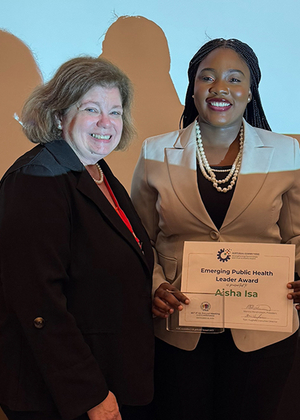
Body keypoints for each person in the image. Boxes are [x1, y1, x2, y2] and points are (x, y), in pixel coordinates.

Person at [131, 38, 300, 420]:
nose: (220, 87)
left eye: (234, 79)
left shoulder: (288, 152)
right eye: (207, 77)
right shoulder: (154, 152)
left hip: (264, 334)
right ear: (193, 88)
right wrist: (154, 284)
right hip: (177, 329)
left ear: (250, 90)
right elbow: (138, 240)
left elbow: (297, 237)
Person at [0, 56, 154, 420]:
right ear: (58, 115)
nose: (106, 123)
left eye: (115, 112)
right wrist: (90, 394)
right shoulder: (37, 179)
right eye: (91, 109)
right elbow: (39, 303)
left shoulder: (96, 170)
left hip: (108, 373)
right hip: (63, 395)